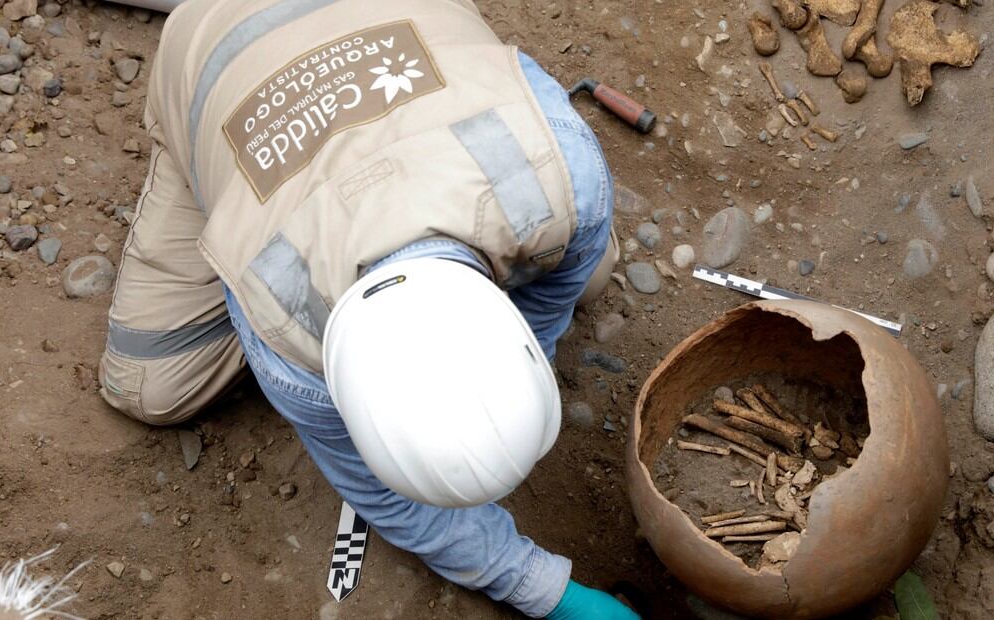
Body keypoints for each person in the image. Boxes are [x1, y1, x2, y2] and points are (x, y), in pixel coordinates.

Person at [95, 0, 637, 617]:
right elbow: (388, 497)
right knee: (152, 388)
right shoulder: (286, 325)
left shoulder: (566, 180)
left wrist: (496, 394)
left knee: (581, 267)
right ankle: (201, 153)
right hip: (214, 45)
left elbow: (542, 313)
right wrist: (541, 589)